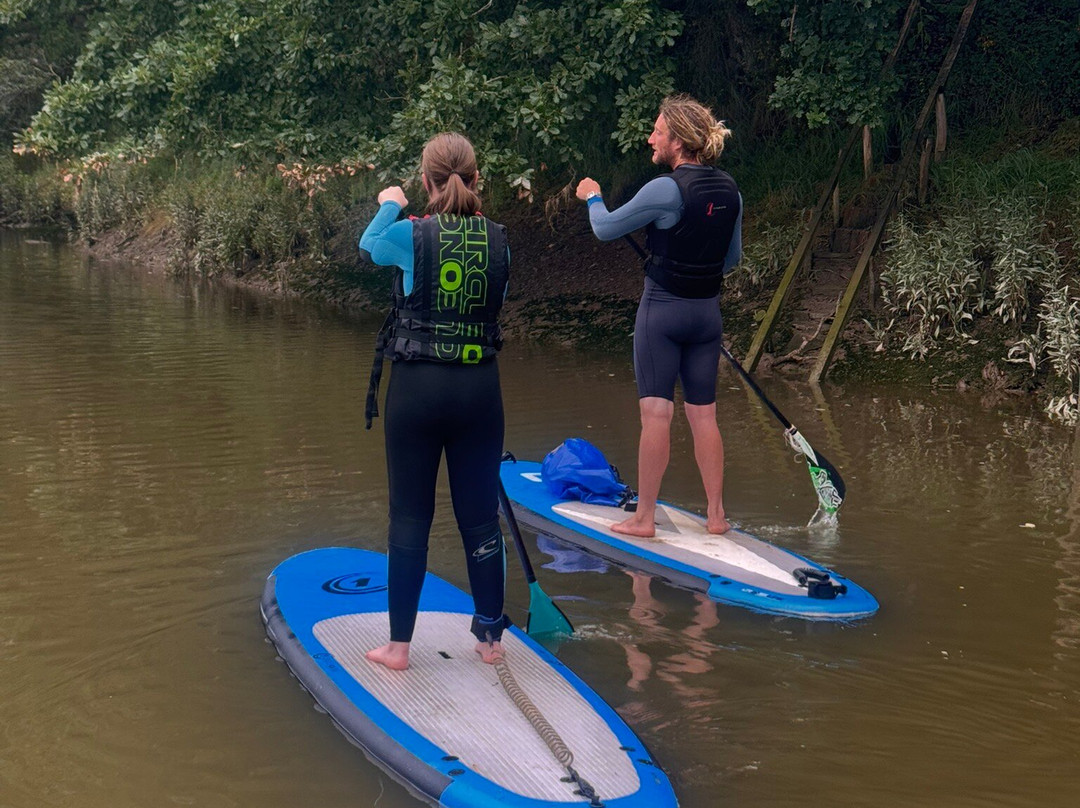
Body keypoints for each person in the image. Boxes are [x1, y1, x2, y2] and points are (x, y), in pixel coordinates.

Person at [358, 133, 511, 670]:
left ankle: (398, 648)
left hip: (417, 394)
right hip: (478, 393)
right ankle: (490, 640)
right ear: (476, 178)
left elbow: (369, 245)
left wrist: (390, 203)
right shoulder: (499, 241)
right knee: (480, 519)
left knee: (409, 517)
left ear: (426, 181)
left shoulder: (409, 234)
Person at [575, 94, 742, 538]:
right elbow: (731, 259)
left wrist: (593, 197)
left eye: (658, 132)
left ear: (678, 141)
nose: (651, 138)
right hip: (707, 318)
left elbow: (605, 228)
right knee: (704, 415)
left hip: (663, 315)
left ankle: (644, 519)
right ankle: (716, 516)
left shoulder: (665, 189)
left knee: (656, 415)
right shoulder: (731, 190)